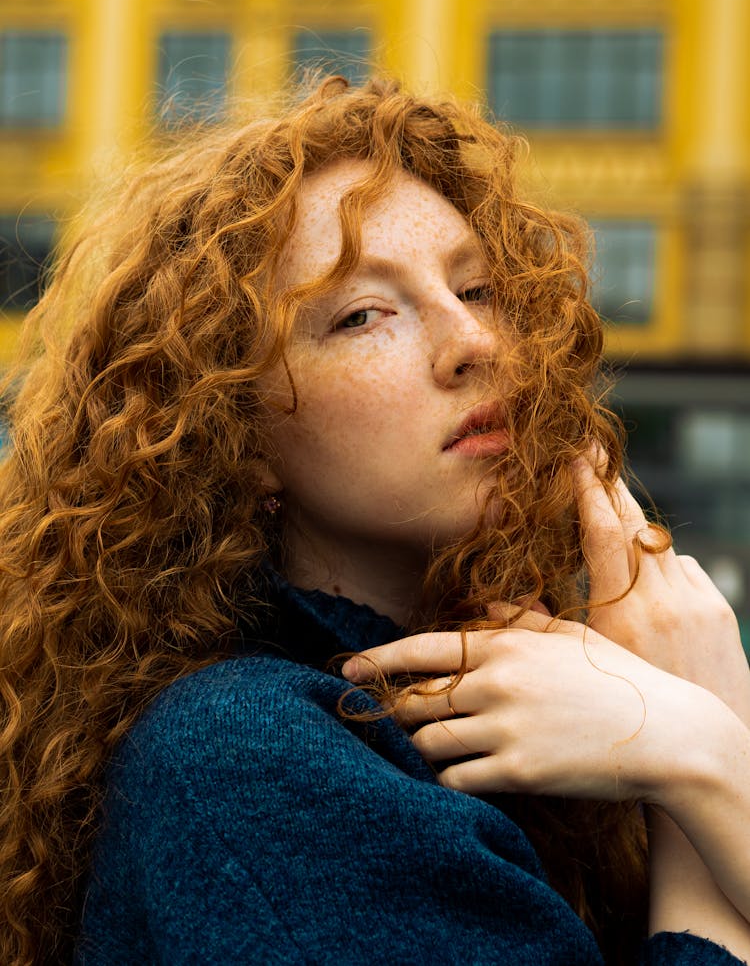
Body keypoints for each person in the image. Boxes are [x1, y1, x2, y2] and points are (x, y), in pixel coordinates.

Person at [0, 76, 748, 966]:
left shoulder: (528, 708)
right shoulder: (248, 755)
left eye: (476, 289)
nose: (474, 340)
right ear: (229, 431)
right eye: (363, 315)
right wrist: (701, 756)